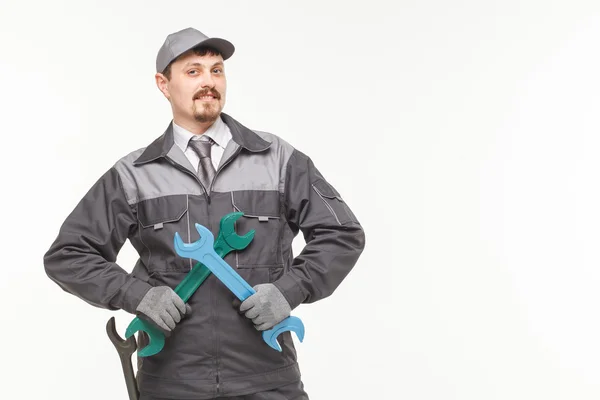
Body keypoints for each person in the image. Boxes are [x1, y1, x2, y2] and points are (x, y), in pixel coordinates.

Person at [43, 27, 366, 400]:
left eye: (216, 70)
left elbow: (342, 233)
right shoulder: (133, 174)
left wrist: (288, 290)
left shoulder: (277, 158)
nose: (208, 82)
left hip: (268, 379)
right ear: (164, 84)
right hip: (172, 382)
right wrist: (137, 296)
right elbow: (68, 255)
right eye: (193, 71)